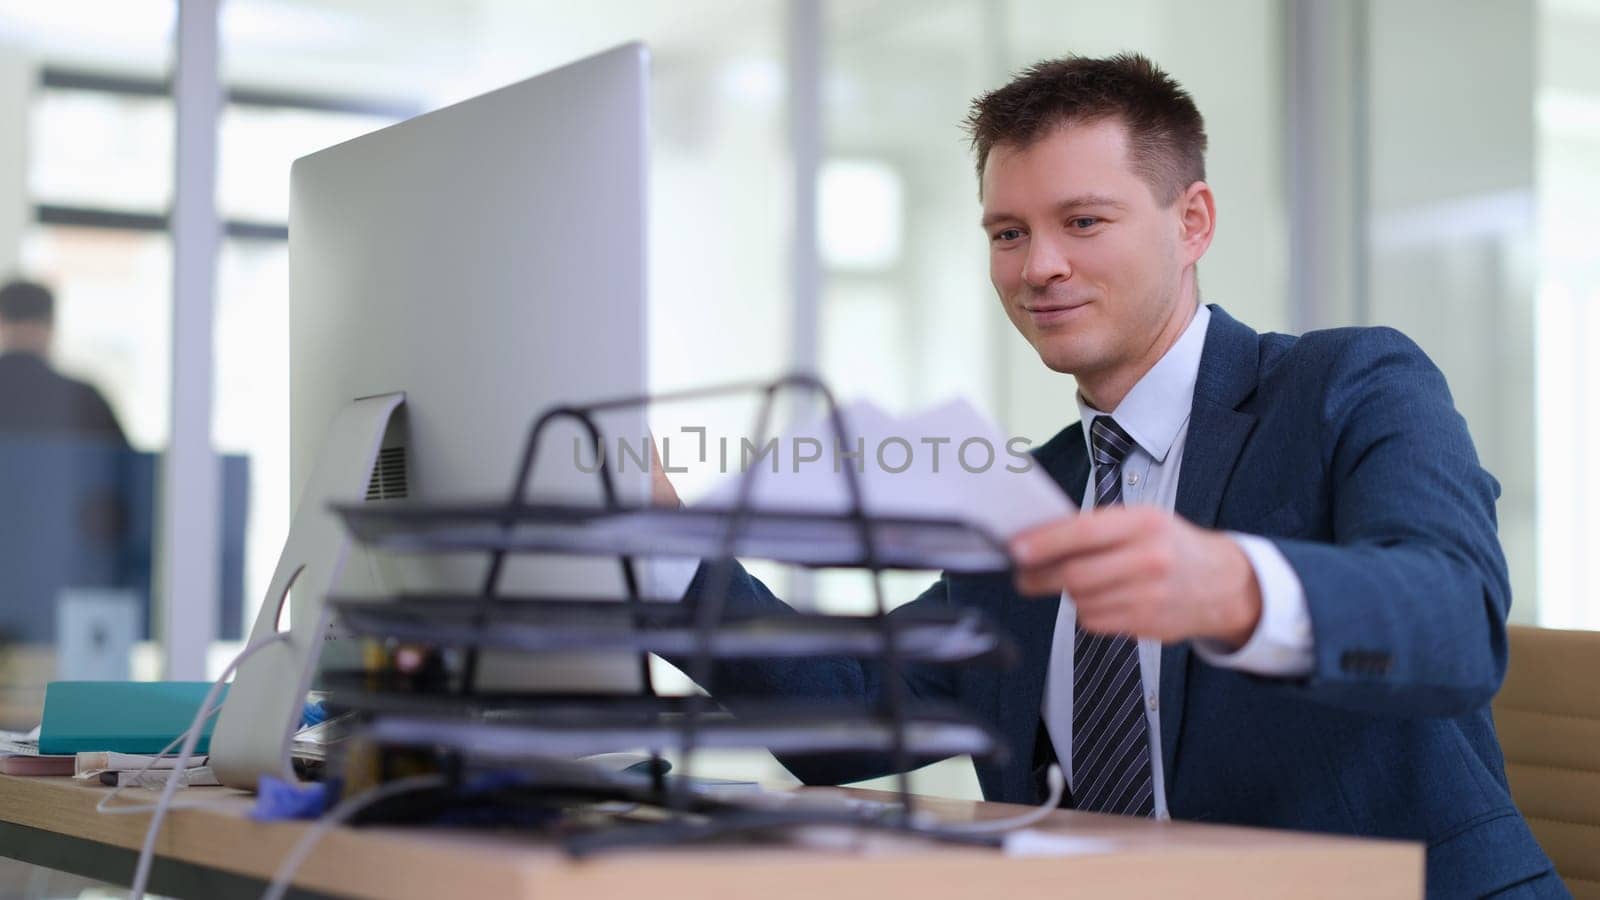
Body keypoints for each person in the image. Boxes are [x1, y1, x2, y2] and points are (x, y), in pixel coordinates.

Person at [651, 54, 1560, 898]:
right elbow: (842, 713)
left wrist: (1241, 588)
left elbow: (1455, 621)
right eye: (1009, 232)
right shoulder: (1030, 492)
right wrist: (665, 550)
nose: (1039, 266)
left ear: (1192, 221)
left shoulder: (1348, 385)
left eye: (1082, 221)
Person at [0, 278, 128, 445]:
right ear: (52, 323)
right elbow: (122, 465)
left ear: (1, 320)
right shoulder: (84, 399)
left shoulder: (83, 398)